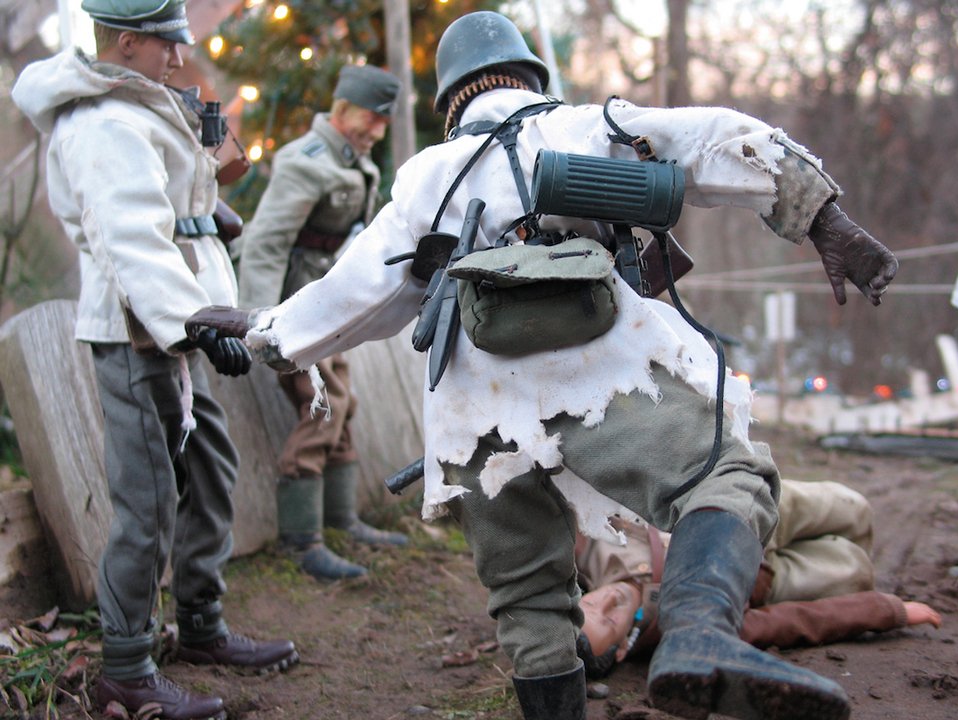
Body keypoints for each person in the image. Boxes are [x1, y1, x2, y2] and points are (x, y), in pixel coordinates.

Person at [188, 11, 899, 720]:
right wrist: (823, 218)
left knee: (527, 596)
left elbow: (352, 296)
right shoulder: (585, 128)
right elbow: (713, 139)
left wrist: (263, 331)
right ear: (531, 77)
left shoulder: (425, 178)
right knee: (727, 478)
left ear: (451, 100)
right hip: (600, 379)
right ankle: (702, 635)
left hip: (476, 413)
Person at [11, 2, 298, 719]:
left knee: (210, 466)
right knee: (145, 502)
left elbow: (175, 216)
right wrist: (199, 323)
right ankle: (127, 667)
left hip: (177, 326)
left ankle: (200, 622)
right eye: (166, 44)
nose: (178, 57)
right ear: (129, 41)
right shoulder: (101, 122)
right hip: (141, 332)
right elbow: (133, 240)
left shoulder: (140, 104)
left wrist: (208, 207)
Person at [237, 64, 407, 581]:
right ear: (341, 109)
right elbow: (266, 242)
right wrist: (264, 320)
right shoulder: (305, 163)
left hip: (326, 304)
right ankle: (302, 539)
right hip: (293, 307)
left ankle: (340, 518)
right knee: (322, 407)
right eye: (370, 120)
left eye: (383, 124)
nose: (376, 132)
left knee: (343, 402)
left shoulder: (352, 159)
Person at [574, 477, 942, 679]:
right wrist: (890, 610)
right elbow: (787, 623)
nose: (608, 601)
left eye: (591, 603)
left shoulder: (588, 557)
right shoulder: (679, 629)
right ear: (622, 648)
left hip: (744, 514)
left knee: (854, 508)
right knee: (856, 571)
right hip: (766, 576)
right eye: (608, 620)